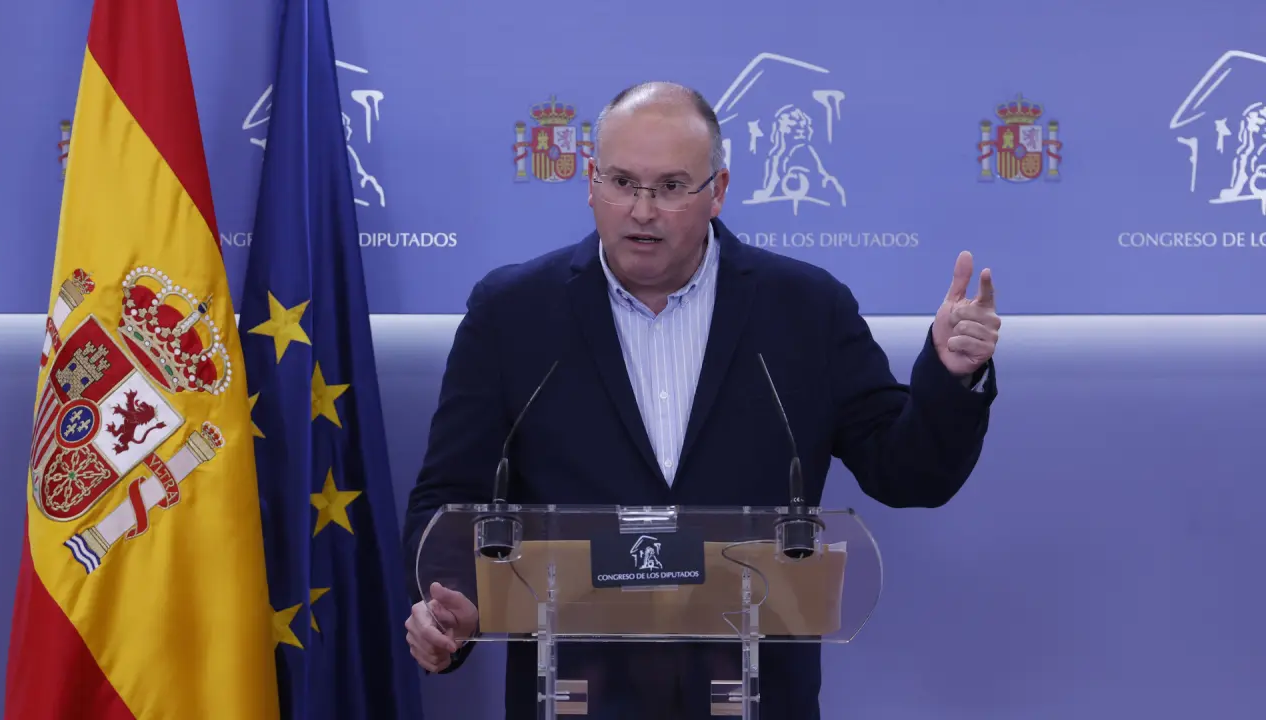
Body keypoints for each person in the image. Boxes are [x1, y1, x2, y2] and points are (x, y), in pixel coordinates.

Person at [402, 81, 1000, 719]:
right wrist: (452, 606)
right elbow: (448, 499)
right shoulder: (512, 314)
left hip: (756, 696)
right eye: (622, 182)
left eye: (670, 187)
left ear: (718, 191)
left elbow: (907, 473)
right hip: (575, 695)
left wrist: (950, 377)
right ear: (590, 181)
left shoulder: (806, 310)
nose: (641, 210)